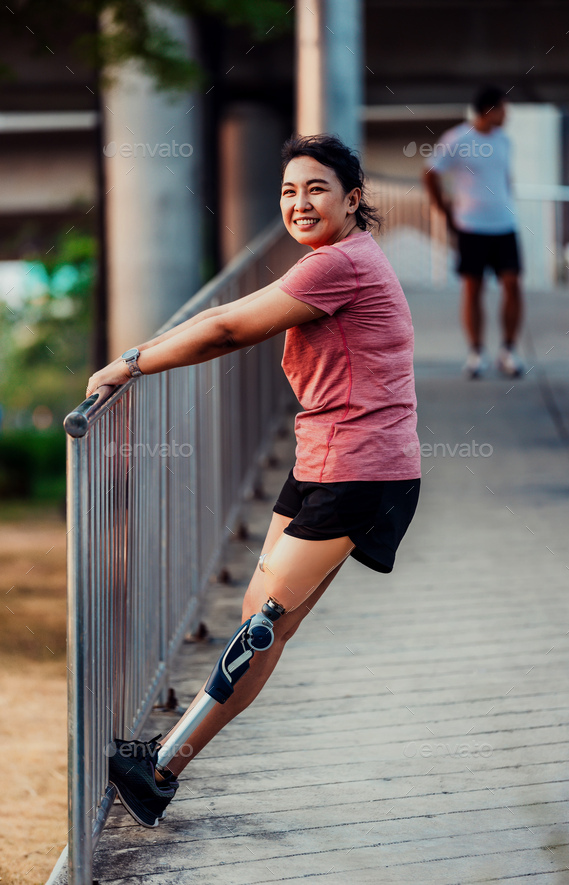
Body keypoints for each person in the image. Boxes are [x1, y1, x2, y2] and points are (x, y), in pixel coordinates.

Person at [86, 134, 422, 828]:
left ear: (354, 200)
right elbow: (218, 318)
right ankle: (160, 766)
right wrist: (140, 352)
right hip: (325, 456)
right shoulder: (331, 260)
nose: (299, 202)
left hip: (359, 469)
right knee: (259, 616)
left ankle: (158, 770)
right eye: (288, 191)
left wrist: (132, 363)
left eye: (317, 189)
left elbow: (229, 332)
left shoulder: (344, 265)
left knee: (262, 627)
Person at [423, 85, 524, 379]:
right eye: (504, 108)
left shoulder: (505, 140)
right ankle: (476, 352)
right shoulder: (458, 139)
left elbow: (505, 177)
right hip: (471, 226)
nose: (507, 115)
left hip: (504, 225)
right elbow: (430, 173)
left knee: (513, 284)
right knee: (473, 288)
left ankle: (508, 351)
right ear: (489, 110)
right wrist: (443, 209)